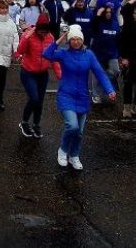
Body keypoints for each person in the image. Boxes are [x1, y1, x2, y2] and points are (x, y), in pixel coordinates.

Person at [42, 25, 116, 171]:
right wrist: (61, 39)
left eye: (78, 39)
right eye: (73, 39)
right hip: (66, 95)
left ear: (82, 40)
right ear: (69, 41)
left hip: (82, 96)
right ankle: (63, 150)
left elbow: (100, 73)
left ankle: (74, 155)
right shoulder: (63, 53)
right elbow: (46, 54)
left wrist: (109, 90)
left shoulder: (89, 55)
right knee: (72, 126)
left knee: (79, 132)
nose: (75, 42)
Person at [14, 14, 61, 138]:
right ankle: (24, 122)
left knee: (39, 101)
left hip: (42, 74)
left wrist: (59, 75)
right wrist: (26, 38)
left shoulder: (50, 37)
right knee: (34, 98)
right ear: (37, 29)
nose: (43, 34)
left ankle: (36, 124)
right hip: (28, 72)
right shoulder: (28, 35)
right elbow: (19, 51)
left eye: (45, 32)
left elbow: (53, 57)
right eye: (41, 31)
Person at [90, 5, 120, 104]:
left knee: (115, 71)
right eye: (106, 12)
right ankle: (96, 95)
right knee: (97, 75)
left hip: (112, 54)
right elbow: (93, 26)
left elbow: (118, 39)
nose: (108, 14)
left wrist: (119, 54)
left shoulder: (115, 24)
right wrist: (98, 14)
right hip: (98, 53)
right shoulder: (98, 23)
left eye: (109, 12)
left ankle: (105, 85)